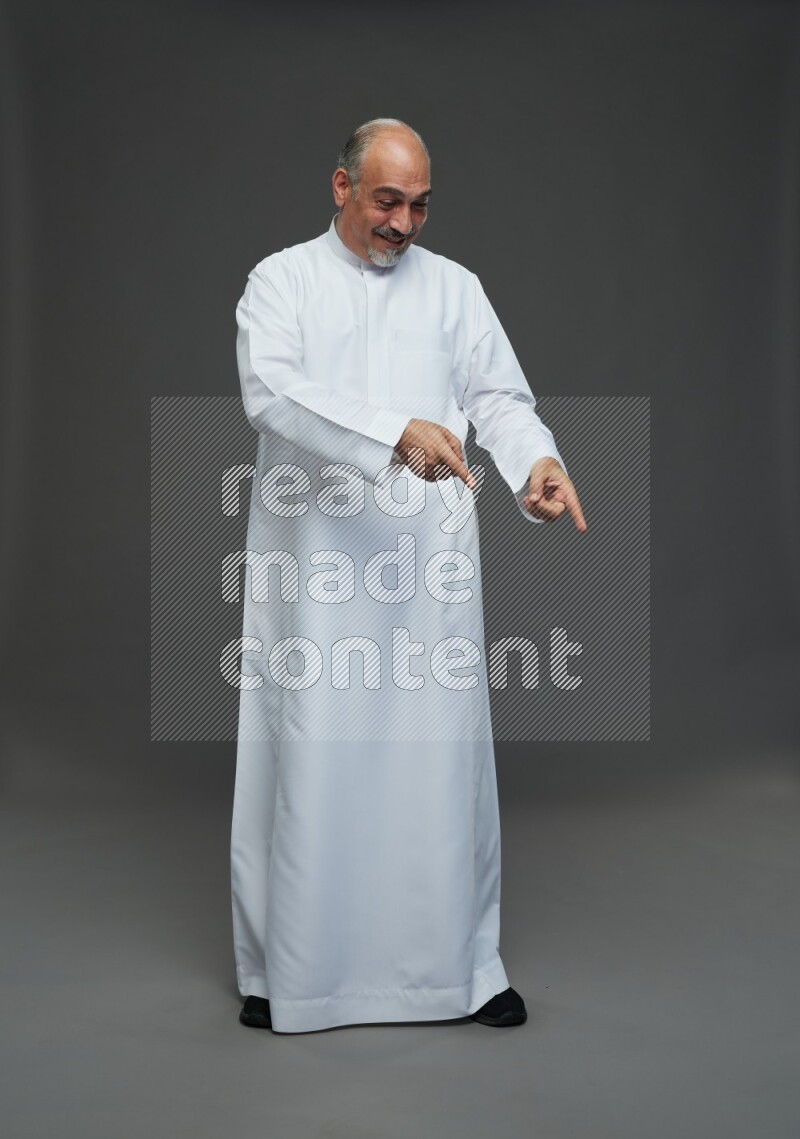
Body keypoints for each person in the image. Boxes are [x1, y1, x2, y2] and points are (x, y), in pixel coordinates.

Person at [230, 118, 587, 1035]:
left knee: (439, 763)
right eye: (387, 199)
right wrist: (394, 430)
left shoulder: (455, 290)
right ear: (341, 187)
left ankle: (459, 972)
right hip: (319, 570)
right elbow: (270, 390)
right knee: (309, 754)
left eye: (420, 204)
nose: (404, 222)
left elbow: (498, 397)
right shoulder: (284, 281)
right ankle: (290, 973)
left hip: (426, 571)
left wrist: (534, 463)